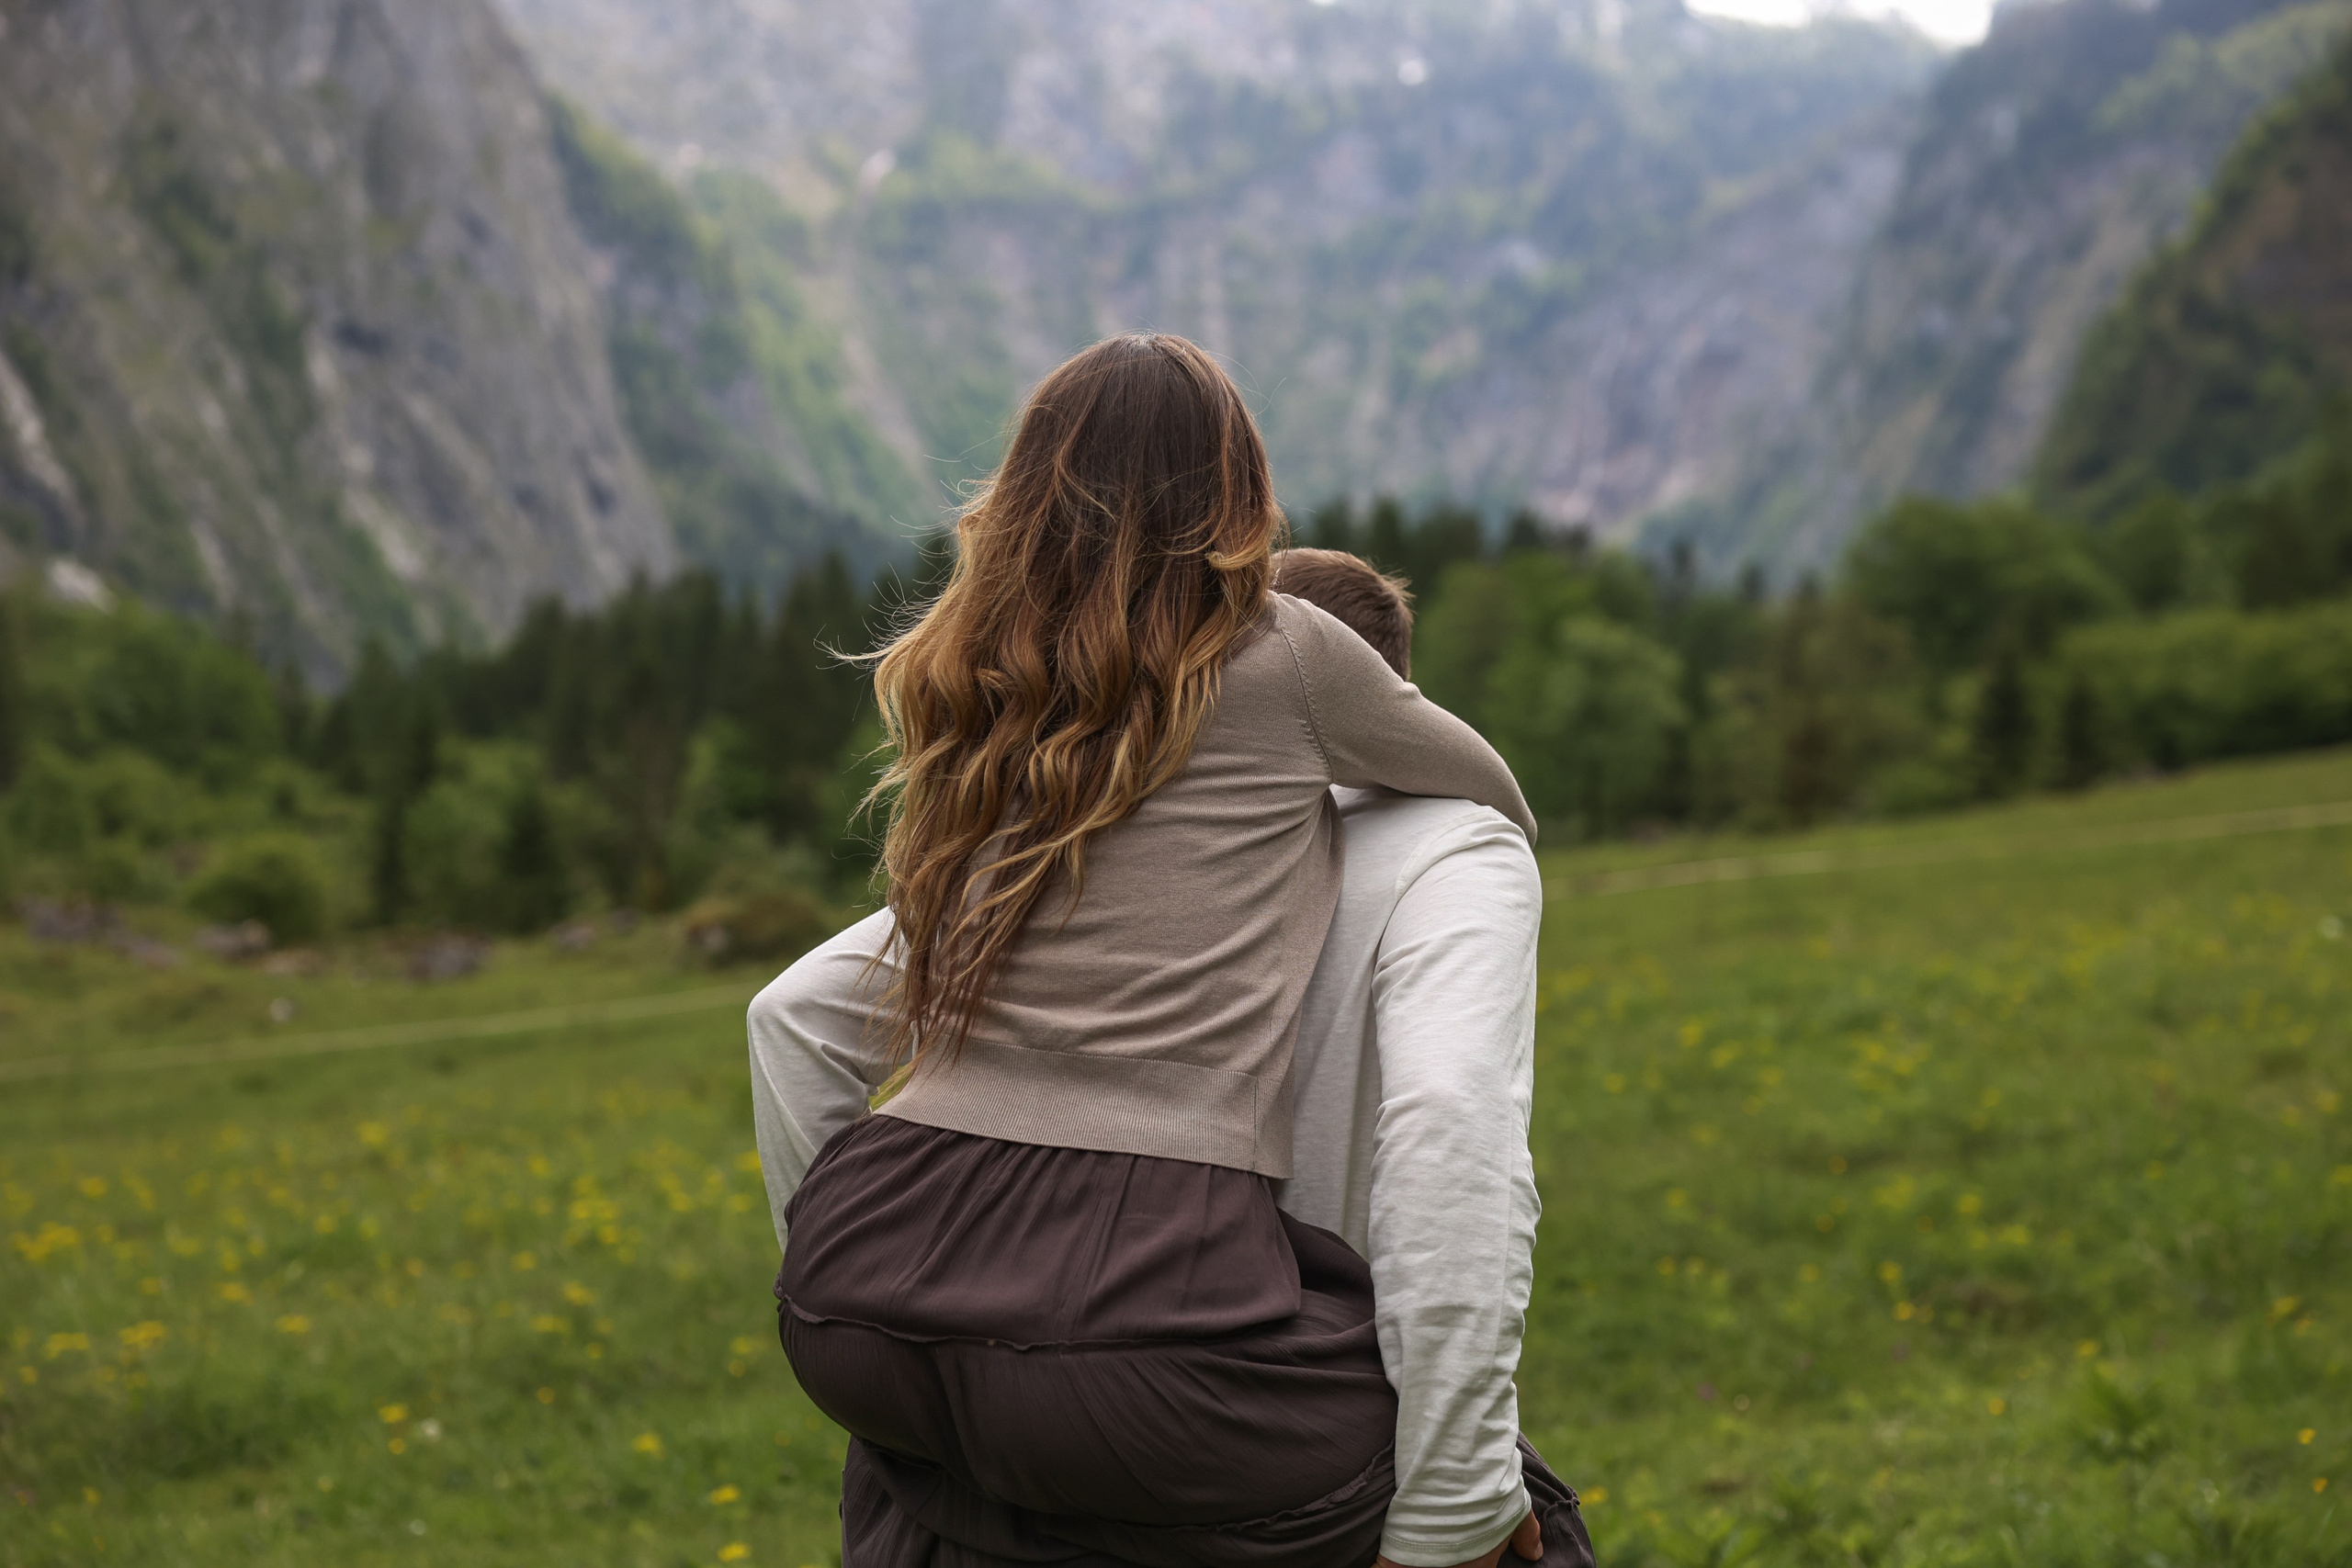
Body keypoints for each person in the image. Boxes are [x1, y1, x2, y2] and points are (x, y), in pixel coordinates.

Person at [750, 331, 1547, 1567]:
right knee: (1504, 1503)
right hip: (1123, 1304)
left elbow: (789, 1017)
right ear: (1237, 492)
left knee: (969, 1499)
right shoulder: (1289, 646)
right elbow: (1487, 789)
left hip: (853, 1275)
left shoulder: (996, 693)